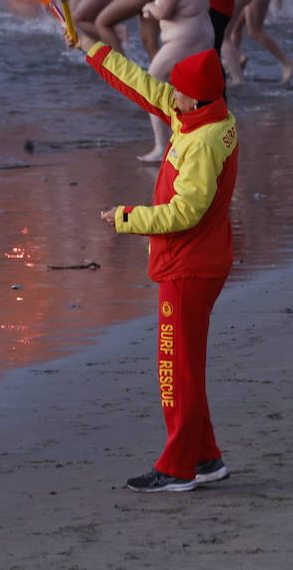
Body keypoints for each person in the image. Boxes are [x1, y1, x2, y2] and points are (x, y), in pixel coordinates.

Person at [66, 29, 236, 493]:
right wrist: (89, 47)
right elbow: (143, 85)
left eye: (178, 90)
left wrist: (126, 217)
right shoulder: (203, 116)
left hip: (189, 266)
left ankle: (177, 468)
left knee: (174, 371)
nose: (171, 95)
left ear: (194, 97)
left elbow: (186, 211)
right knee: (187, 367)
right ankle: (205, 458)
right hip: (198, 259)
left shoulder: (203, 141)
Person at [136, 0, 214, 162]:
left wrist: (149, 7)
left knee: (151, 84)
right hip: (203, 36)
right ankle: (193, 141)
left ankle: (162, 147)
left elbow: (163, 11)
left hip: (185, 41)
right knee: (189, 92)